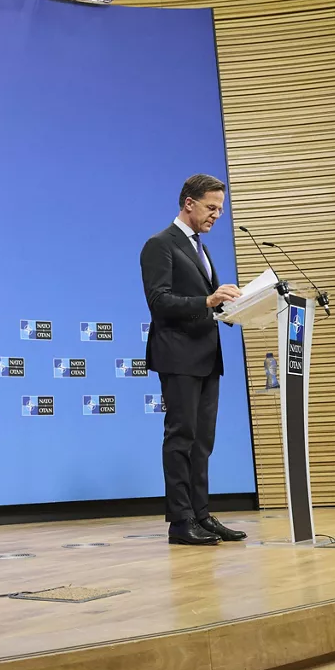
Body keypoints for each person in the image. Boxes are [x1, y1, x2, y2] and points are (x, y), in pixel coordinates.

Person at [140, 174, 249, 546]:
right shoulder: (159, 245)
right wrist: (207, 300)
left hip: (206, 355)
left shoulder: (200, 247)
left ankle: (201, 515)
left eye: (221, 208)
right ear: (189, 203)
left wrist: (236, 307)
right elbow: (159, 301)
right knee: (180, 438)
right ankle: (180, 521)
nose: (218, 215)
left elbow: (207, 302)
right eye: (211, 207)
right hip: (178, 355)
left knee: (203, 441)